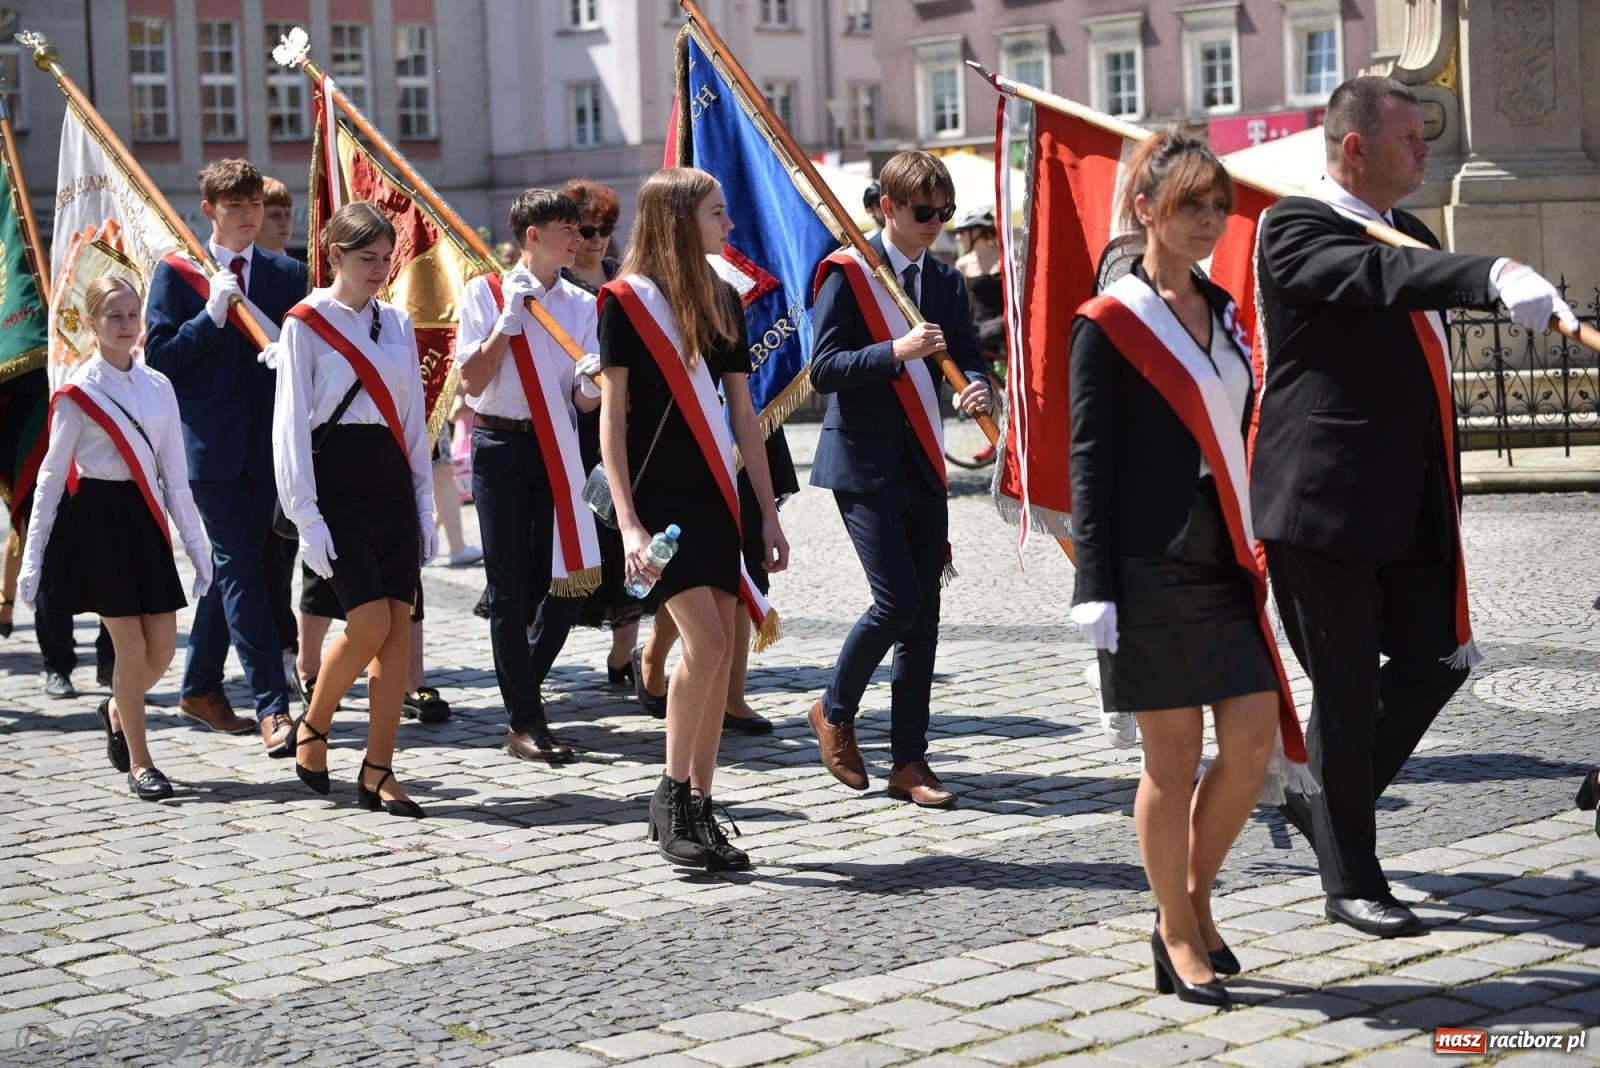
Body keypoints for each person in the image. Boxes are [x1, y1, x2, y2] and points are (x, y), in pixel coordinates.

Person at [1252, 76, 1576, 937]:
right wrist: (1493, 268)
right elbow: (1377, 276)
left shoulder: (1412, 228)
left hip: (1408, 505)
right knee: (1348, 692)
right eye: (1409, 138)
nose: (1425, 149)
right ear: (1354, 147)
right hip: (1322, 507)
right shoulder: (1295, 226)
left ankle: (1324, 803)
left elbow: (1409, 267)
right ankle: (1350, 876)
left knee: (1437, 660)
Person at [1069, 133, 1301, 1008]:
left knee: (1248, 745)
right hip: (1145, 563)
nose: (1209, 221)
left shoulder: (1225, 306)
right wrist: (1094, 585)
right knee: (1173, 760)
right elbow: (1088, 458)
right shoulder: (1111, 323)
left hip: (1223, 556)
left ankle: (1195, 895)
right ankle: (1173, 929)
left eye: (1218, 206)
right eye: (1190, 206)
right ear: (1145, 212)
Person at [599, 167, 788, 871]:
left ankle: (697, 805)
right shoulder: (623, 302)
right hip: (657, 500)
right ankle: (674, 794)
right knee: (706, 644)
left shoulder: (720, 295)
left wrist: (766, 513)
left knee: (718, 648)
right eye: (716, 213)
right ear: (679, 219)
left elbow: (745, 415)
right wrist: (627, 522)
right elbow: (612, 422)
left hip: (716, 491)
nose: (728, 225)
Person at [806, 150, 991, 809]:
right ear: (888, 207)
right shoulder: (849, 273)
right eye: (923, 212)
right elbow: (822, 368)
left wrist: (977, 388)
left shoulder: (941, 279)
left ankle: (909, 761)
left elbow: (966, 352)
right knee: (897, 602)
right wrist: (896, 352)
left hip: (922, 460)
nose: (937, 222)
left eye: (944, 211)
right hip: (861, 461)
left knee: (925, 620)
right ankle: (832, 710)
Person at [16, 277, 212, 800]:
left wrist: (196, 544)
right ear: (91, 324)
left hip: (143, 520)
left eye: (133, 315)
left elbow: (174, 472)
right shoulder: (79, 391)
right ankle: (142, 763)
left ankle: (114, 708)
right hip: (98, 521)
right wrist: (31, 557)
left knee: (163, 649)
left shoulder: (158, 386)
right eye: (114, 317)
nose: (127, 325)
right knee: (129, 648)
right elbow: (51, 479)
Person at [272, 202, 436, 818]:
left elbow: (413, 416)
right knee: (368, 625)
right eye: (367, 259)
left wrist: (423, 501)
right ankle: (313, 727)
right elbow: (288, 426)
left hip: (391, 484)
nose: (379, 269)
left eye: (386, 258)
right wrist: (305, 515)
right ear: (334, 255)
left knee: (396, 637)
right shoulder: (305, 323)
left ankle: (378, 769)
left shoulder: (394, 321)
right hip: (335, 487)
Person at [144, 158, 307, 752]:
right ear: (208, 209)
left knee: (239, 568)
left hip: (268, 448)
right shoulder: (179, 274)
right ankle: (272, 707)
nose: (247, 216)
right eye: (234, 206)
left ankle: (200, 688)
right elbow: (159, 359)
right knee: (241, 568)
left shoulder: (287, 273)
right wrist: (211, 316)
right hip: (207, 452)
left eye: (254, 204)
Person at [456, 189, 601, 763]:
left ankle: (522, 682)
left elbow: (585, 404)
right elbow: (472, 382)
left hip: (558, 448)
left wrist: (592, 380)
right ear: (533, 235)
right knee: (511, 590)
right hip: (500, 446)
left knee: (571, 580)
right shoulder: (484, 293)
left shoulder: (581, 305)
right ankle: (524, 720)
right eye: (568, 228)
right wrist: (506, 324)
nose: (580, 238)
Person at [525, 178, 643, 697]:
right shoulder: (551, 289)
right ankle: (531, 662)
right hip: (568, 437)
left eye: (604, 230)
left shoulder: (623, 280)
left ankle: (625, 658)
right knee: (565, 554)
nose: (595, 240)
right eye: (585, 229)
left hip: (619, 433)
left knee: (627, 553)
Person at [637, 428, 799, 733]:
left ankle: (731, 697)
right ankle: (651, 656)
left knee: (743, 572)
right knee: (691, 574)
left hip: (737, 440)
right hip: (680, 453)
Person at [255, 176, 305, 698]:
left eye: (287, 210)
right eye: (275, 211)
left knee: (282, 554)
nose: (282, 219)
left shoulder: (294, 274)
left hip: (288, 436)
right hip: (246, 440)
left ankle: (287, 650)